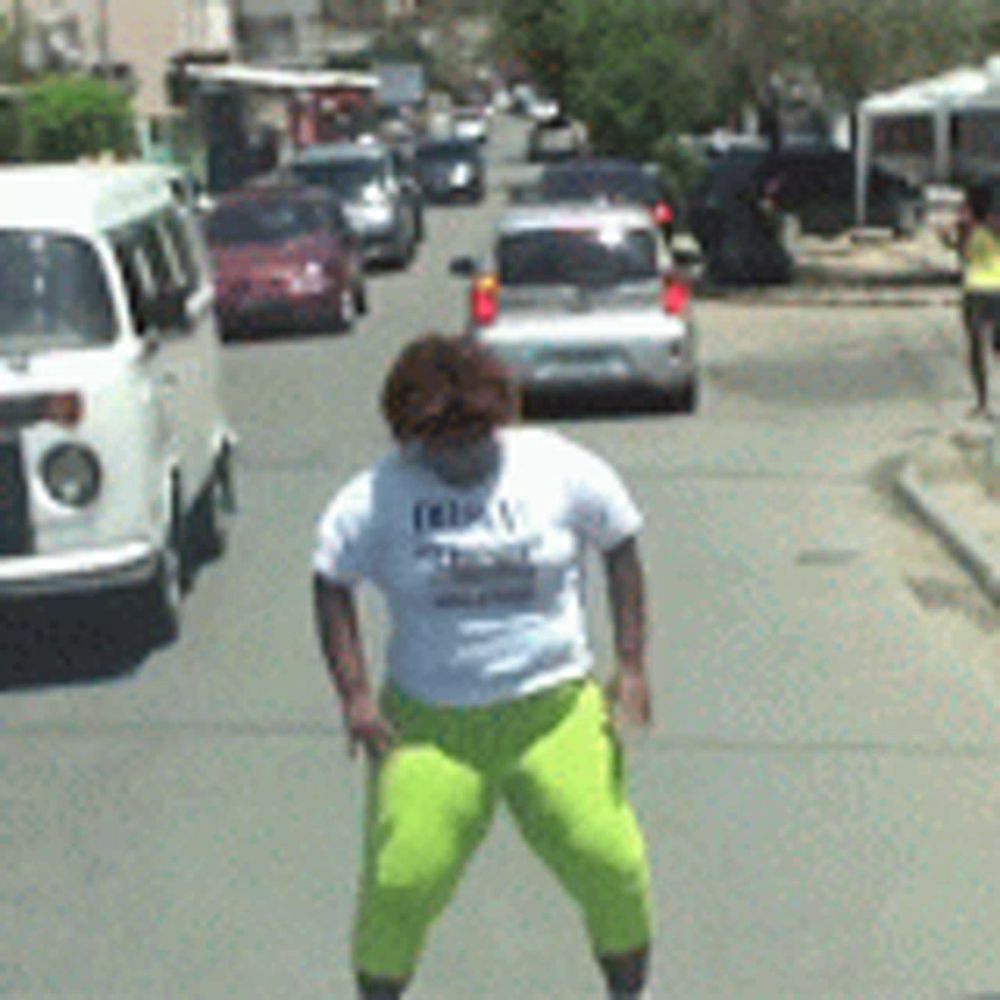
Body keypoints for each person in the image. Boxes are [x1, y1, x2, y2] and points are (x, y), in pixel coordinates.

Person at [312, 334, 654, 1000]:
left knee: (609, 861)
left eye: (476, 440)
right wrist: (354, 695)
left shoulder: (556, 467)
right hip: (431, 727)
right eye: (444, 445)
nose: (463, 459)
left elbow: (620, 542)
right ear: (411, 437)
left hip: (553, 713)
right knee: (400, 880)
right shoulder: (378, 497)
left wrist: (631, 663)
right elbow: (331, 580)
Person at [940, 177, 1000, 418]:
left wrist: (950, 234)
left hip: (975, 291)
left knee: (976, 349)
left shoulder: (969, 229)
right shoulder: (993, 226)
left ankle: (982, 402)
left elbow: (963, 256)